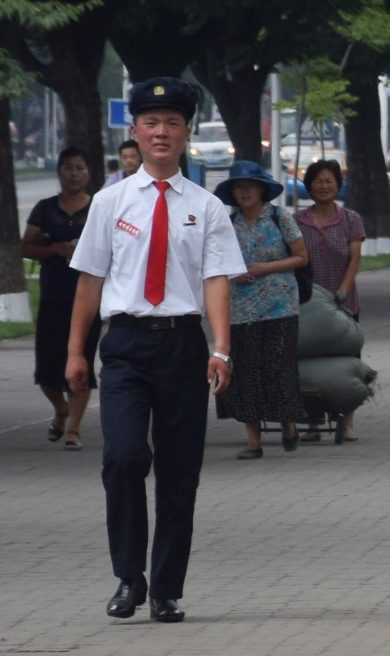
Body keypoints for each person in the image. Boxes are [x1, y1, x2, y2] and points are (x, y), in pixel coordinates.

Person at [66, 77, 246, 623]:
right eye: (151, 122)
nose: (161, 132)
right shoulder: (110, 201)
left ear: (187, 132)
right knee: (123, 458)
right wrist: (76, 351)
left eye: (172, 122)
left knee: (178, 471)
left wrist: (222, 349)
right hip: (123, 344)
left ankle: (167, 587)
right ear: (135, 132)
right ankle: (128, 577)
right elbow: (90, 280)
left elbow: (217, 280)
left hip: (181, 347)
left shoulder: (207, 207)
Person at [213, 161, 309, 460]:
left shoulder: (281, 217)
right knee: (245, 373)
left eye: (250, 186)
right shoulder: (227, 224)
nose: (244, 192)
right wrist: (234, 272)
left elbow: (301, 257)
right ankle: (253, 440)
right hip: (239, 308)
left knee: (278, 367)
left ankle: (287, 424)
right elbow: (216, 263)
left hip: (280, 305)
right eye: (239, 187)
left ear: (261, 189)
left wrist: (264, 268)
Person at [19, 146, 102, 451]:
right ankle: (60, 409)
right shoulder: (45, 208)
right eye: (68, 167)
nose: (74, 174)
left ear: (89, 172)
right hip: (53, 296)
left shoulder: (97, 207)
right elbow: (26, 246)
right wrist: (53, 249)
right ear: (59, 172)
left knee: (81, 361)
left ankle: (74, 429)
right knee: (46, 369)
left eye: (80, 168)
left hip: (88, 299)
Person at [295, 159, 366, 442]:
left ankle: (347, 421)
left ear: (338, 184)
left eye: (329, 181)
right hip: (307, 305)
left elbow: (355, 259)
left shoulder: (350, 219)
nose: (323, 186)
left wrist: (341, 293)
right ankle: (313, 421)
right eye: (317, 181)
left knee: (346, 364)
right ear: (309, 186)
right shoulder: (297, 221)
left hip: (344, 304)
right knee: (309, 365)